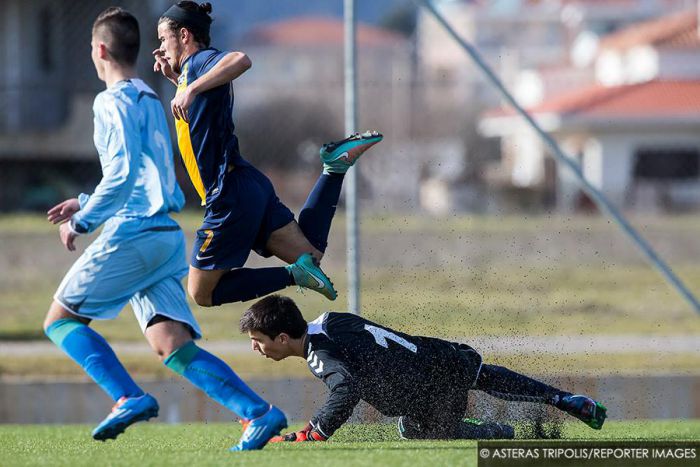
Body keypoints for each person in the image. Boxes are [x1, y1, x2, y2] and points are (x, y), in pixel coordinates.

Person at [43, 7, 286, 451]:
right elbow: (140, 169)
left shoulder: (110, 101)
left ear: (99, 49)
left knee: (60, 322)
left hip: (133, 233)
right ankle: (260, 413)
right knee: (172, 345)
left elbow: (121, 175)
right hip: (164, 237)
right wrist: (87, 198)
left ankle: (127, 396)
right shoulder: (149, 97)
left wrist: (84, 220)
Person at [153, 1, 382, 308]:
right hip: (248, 185)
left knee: (202, 293)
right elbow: (201, 110)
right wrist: (176, 80)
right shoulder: (191, 74)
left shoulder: (201, 62)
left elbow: (240, 59)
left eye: (163, 39)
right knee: (309, 254)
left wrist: (189, 88)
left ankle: (293, 275)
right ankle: (333, 168)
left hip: (229, 196)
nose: (161, 48)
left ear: (183, 36)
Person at [239, 295, 608, 442]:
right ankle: (564, 399)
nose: (256, 348)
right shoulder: (332, 320)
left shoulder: (319, 355)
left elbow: (346, 389)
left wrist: (311, 433)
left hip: (427, 396)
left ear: (284, 338)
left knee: (414, 429)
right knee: (487, 376)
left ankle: (491, 432)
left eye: (259, 340)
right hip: (439, 355)